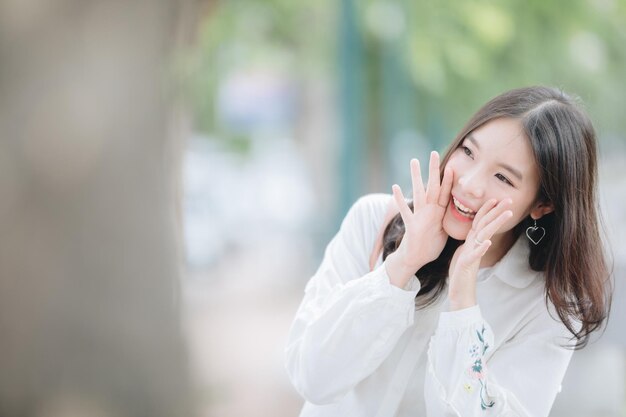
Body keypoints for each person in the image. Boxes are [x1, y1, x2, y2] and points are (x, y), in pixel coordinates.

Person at [285, 86, 612, 417]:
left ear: (542, 204)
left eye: (503, 177)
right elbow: (312, 378)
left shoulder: (546, 305)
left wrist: (463, 305)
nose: (470, 184)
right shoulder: (372, 221)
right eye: (469, 152)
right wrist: (402, 265)